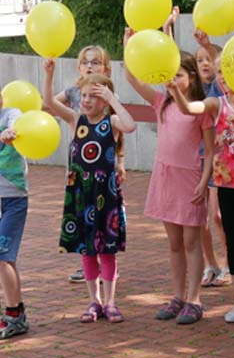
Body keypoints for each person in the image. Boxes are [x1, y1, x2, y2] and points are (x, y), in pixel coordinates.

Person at [170, 63, 234, 324]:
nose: (225, 78)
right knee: (233, 244)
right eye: (221, 73)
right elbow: (189, 108)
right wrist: (176, 92)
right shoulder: (216, 104)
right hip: (226, 186)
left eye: (230, 71)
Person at [124, 41, 214, 324]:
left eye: (179, 76)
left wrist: (204, 181)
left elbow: (211, 151)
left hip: (189, 179)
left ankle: (194, 298)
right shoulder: (161, 102)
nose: (172, 81)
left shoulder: (200, 109)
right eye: (170, 76)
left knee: (191, 241)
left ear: (191, 78)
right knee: (174, 243)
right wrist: (130, 44)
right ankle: (177, 296)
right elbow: (131, 78)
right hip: (164, 178)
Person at [43, 63, 137, 323]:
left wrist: (112, 99)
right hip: (81, 193)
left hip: (105, 195)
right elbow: (49, 102)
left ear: (104, 100)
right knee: (87, 251)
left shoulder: (112, 121)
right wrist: (49, 73)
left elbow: (130, 126)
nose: (85, 100)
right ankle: (93, 301)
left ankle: (110, 302)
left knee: (107, 251)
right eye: (83, 95)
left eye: (92, 96)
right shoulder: (76, 120)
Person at [55, 45, 127, 284]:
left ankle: (106, 266)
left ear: (106, 67)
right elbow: (50, 103)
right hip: (80, 165)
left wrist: (121, 162)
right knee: (84, 220)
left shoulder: (107, 96)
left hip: (103, 172)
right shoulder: (75, 93)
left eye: (95, 62)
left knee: (104, 225)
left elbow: (120, 132)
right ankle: (88, 262)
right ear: (78, 67)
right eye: (85, 62)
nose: (89, 66)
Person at [192, 30, 228, 288]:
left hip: (219, 158)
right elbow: (171, 65)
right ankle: (210, 264)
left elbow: (222, 67)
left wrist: (207, 45)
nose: (205, 63)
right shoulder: (192, 88)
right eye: (200, 59)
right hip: (194, 158)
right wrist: (167, 31)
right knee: (200, 217)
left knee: (217, 216)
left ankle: (229, 263)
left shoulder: (219, 87)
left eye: (208, 59)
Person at [0, 102, 29, 339]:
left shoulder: (12, 114)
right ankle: (16, 312)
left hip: (14, 199)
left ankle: (14, 316)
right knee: (5, 258)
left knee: (3, 257)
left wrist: (9, 133)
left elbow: (15, 127)